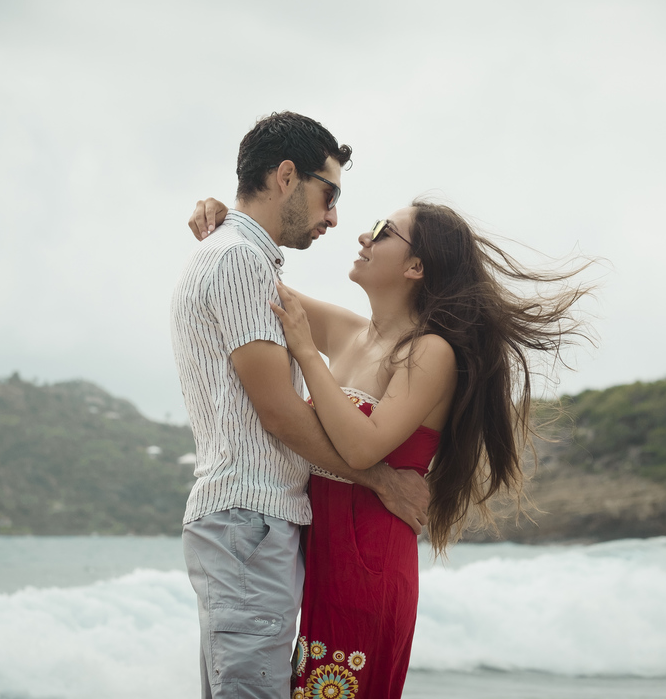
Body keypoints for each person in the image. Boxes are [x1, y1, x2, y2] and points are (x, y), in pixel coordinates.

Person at [189, 197, 591, 699]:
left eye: (382, 231)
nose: (363, 236)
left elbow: (361, 447)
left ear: (415, 266)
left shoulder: (430, 351)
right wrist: (225, 222)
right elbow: (250, 282)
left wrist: (308, 353)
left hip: (367, 560)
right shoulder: (352, 332)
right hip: (318, 555)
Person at [170, 111, 430, 699]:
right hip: (249, 517)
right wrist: (381, 481)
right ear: (286, 176)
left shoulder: (242, 257)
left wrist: (221, 217)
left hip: (252, 524)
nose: (335, 219)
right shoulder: (239, 260)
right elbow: (281, 412)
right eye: (328, 194)